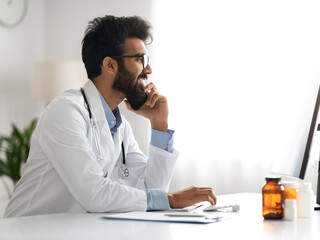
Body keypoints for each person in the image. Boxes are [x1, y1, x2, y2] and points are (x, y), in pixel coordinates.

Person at [4, 15, 216, 218]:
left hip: (73, 230)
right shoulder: (65, 111)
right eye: (140, 59)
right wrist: (171, 200)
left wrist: (159, 123)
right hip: (27, 230)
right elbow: (94, 194)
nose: (148, 68)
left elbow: (151, 190)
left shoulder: (120, 127)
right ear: (110, 65)